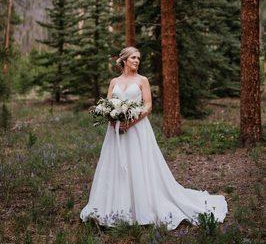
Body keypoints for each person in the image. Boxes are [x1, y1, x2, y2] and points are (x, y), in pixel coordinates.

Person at [80, 46, 228, 230]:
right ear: (124, 60)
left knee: (138, 165)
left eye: (138, 58)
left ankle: (143, 209)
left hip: (137, 129)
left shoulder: (142, 80)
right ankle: (114, 208)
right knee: (115, 165)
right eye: (133, 57)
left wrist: (131, 122)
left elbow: (148, 106)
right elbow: (107, 104)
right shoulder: (113, 82)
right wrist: (111, 119)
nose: (136, 61)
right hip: (116, 131)